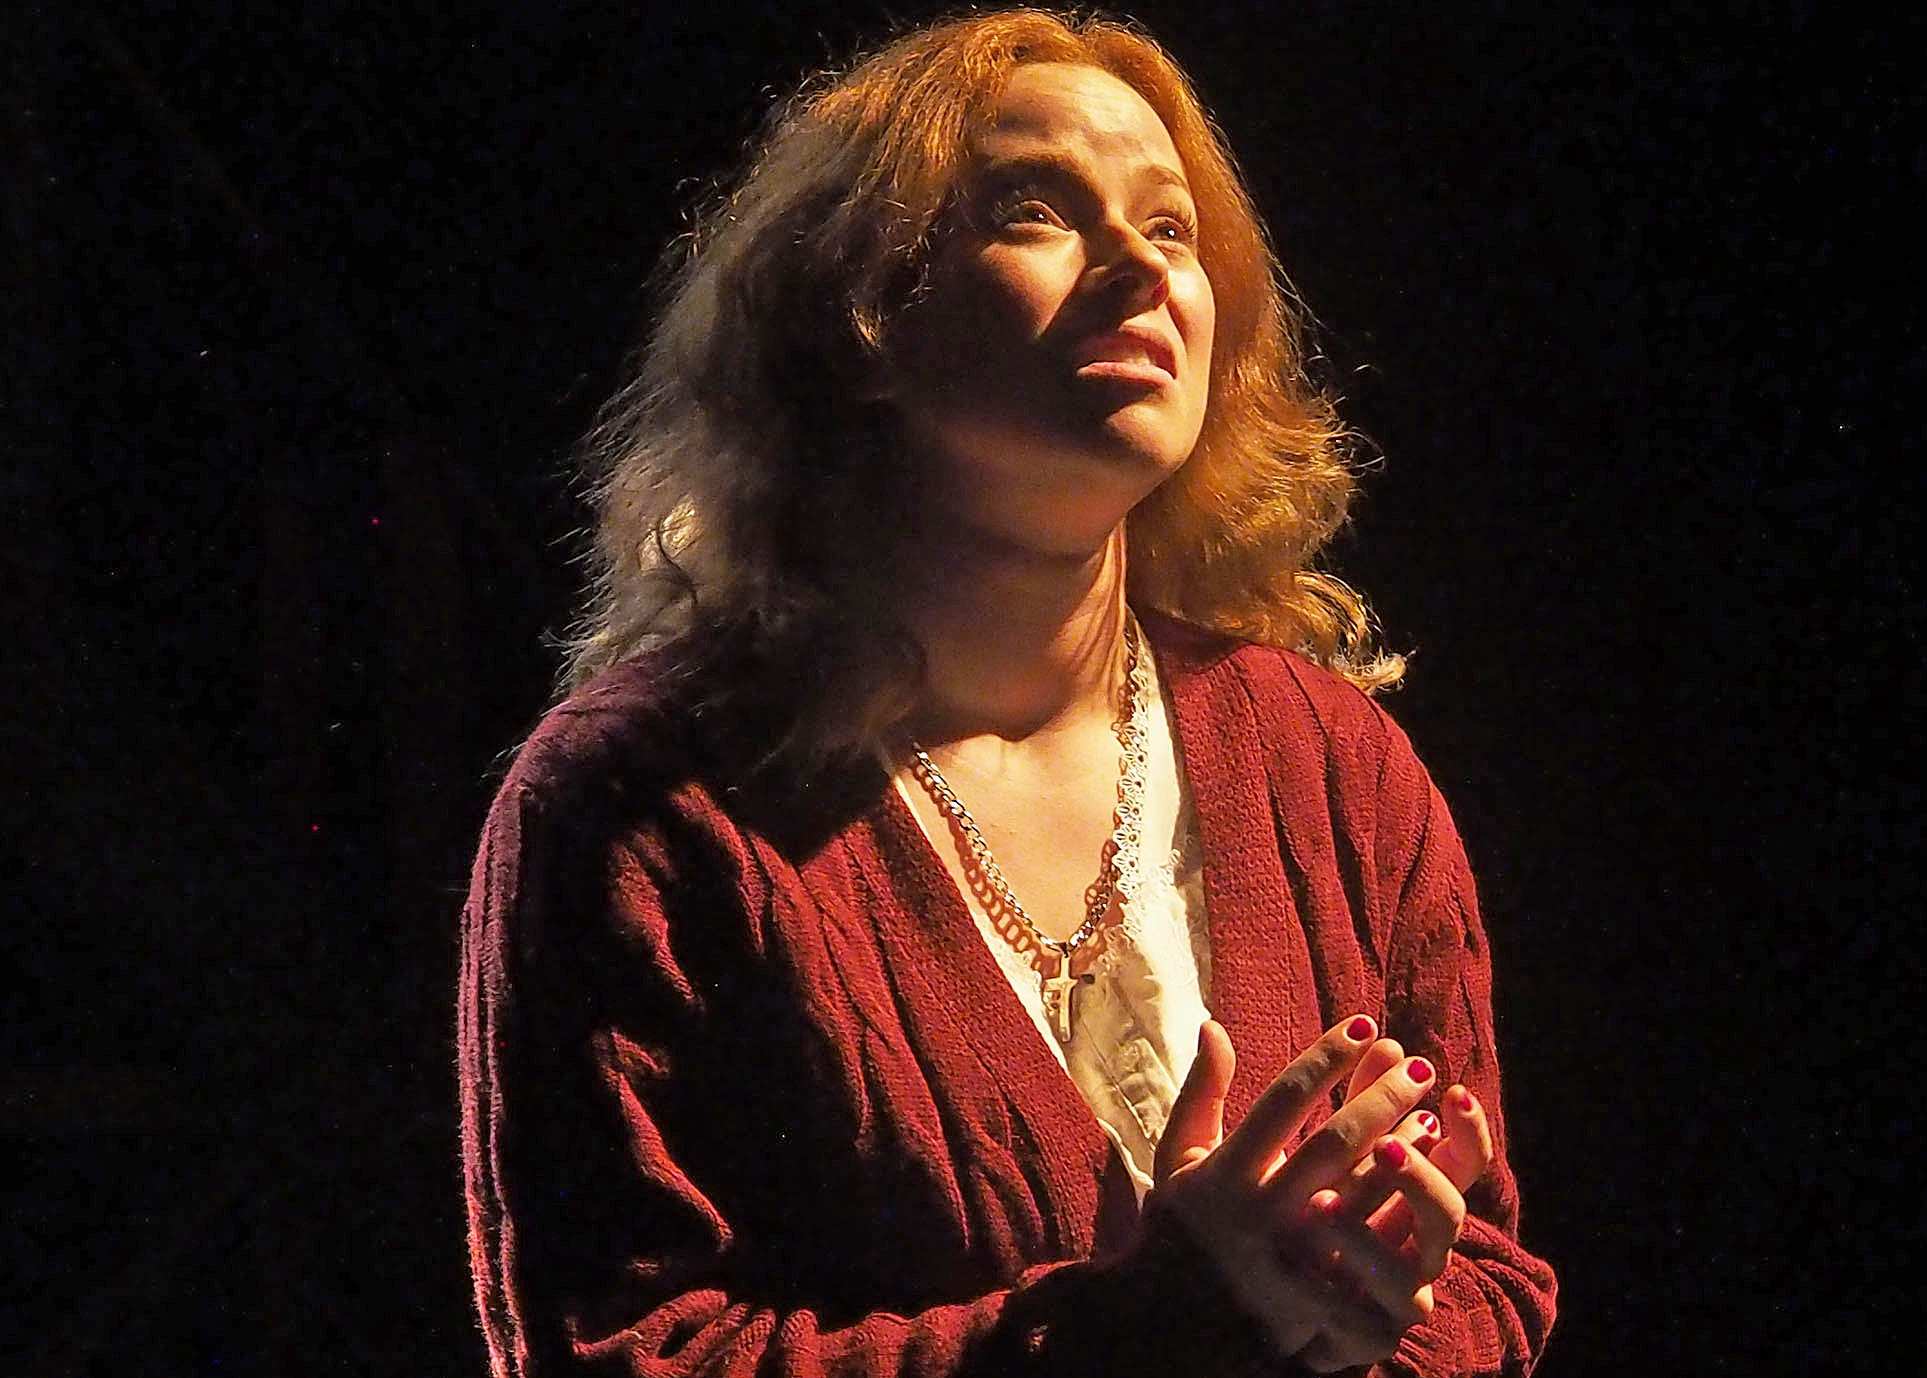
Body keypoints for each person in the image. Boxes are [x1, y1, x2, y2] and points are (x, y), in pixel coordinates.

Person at [457, 9, 1556, 1377]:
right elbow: (622, 1351)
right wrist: (1150, 1332)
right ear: (857, 316)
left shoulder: (1335, 769)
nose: (1140, 271)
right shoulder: (640, 812)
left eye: (1171, 230)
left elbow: (1491, 1272)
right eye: (1038, 209)